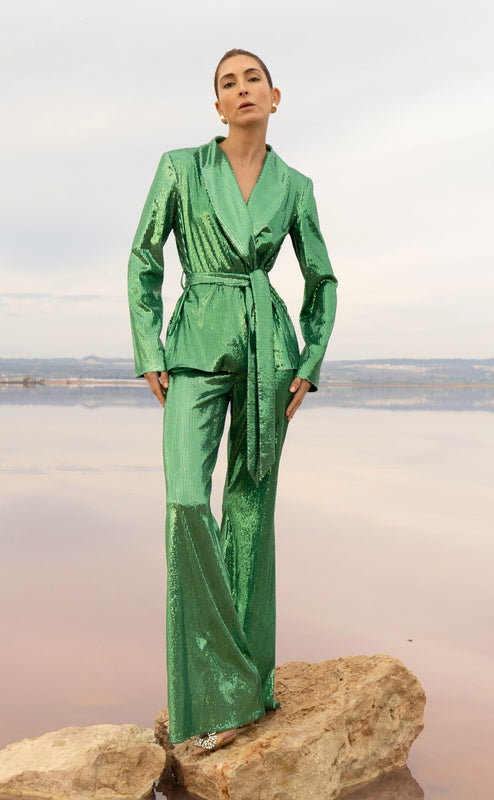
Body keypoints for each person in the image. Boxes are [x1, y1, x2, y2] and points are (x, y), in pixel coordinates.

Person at [128, 48, 337, 752]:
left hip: (269, 354)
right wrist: (149, 349)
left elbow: (322, 279)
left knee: (250, 514)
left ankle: (245, 695)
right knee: (187, 500)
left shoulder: (296, 186)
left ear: (275, 97)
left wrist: (309, 360)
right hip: (193, 347)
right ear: (216, 105)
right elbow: (144, 257)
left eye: (252, 79)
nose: (241, 89)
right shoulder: (180, 168)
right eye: (227, 82)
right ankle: (215, 684)